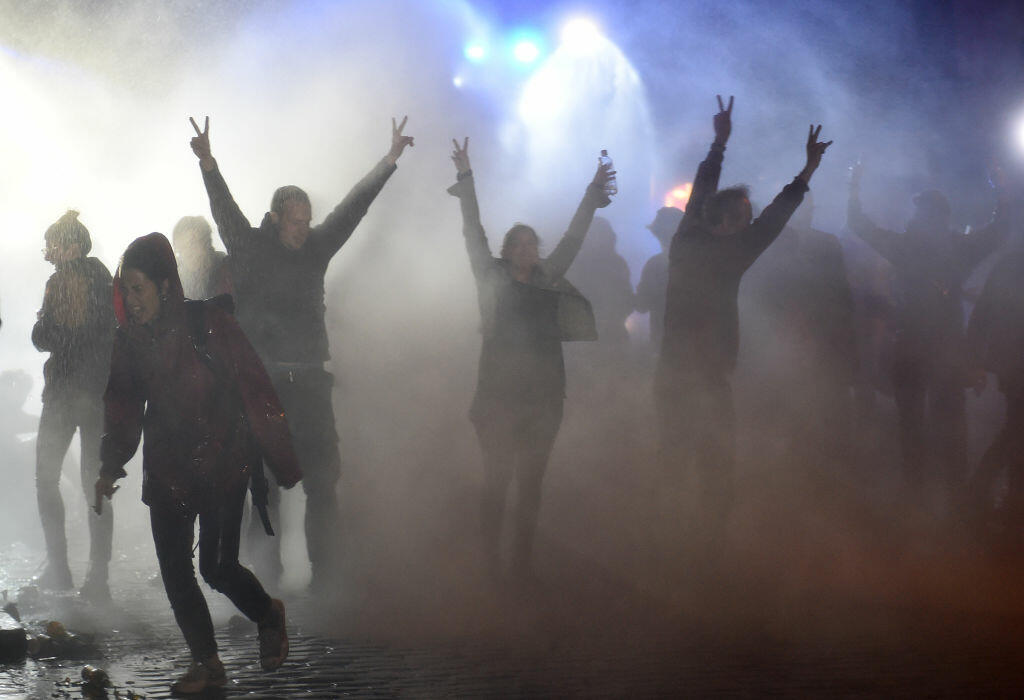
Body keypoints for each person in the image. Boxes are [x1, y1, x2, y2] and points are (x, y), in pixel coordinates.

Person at [188, 115, 414, 591]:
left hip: (310, 381)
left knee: (323, 483)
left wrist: (388, 161)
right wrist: (208, 163)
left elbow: (354, 209)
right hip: (263, 383)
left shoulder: (315, 248)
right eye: (294, 221)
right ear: (274, 218)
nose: (302, 229)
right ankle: (264, 585)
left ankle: (326, 580)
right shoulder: (249, 246)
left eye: (306, 221)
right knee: (263, 488)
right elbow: (224, 209)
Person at [94, 233, 301, 694]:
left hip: (224, 463)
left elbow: (256, 388)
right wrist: (110, 466)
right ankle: (207, 662)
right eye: (125, 289)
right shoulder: (130, 340)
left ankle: (269, 614)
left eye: (139, 288)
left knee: (216, 567)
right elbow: (123, 404)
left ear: (165, 286)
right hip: (167, 467)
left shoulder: (209, 324)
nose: (131, 299)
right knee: (174, 569)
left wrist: (282, 462)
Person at [655, 95, 831, 549]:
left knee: (678, 459)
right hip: (704, 373)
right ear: (732, 222)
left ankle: (669, 544)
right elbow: (774, 217)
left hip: (678, 371)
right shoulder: (732, 252)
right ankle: (700, 545)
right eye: (746, 217)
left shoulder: (686, 239)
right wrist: (807, 171)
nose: (752, 222)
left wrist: (719, 143)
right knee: (712, 463)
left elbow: (705, 195)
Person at [447, 136, 612, 582]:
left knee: (532, 485)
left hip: (543, 398)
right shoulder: (492, 278)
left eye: (531, 244)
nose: (527, 250)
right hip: (498, 397)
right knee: (497, 481)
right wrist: (466, 178)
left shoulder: (547, 279)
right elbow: (472, 233)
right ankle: (490, 563)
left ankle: (520, 563)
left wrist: (591, 196)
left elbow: (573, 239)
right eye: (518, 244)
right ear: (505, 251)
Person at [848, 163, 1007, 505]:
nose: (918, 218)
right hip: (933, 345)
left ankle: (926, 492)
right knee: (938, 421)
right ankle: (944, 491)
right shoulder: (945, 246)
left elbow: (859, 224)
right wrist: (1001, 190)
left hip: (923, 345)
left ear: (932, 218)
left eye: (922, 212)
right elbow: (999, 230)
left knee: (927, 422)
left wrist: (855, 185)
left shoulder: (912, 246)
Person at [32, 211, 115, 598]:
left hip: (70, 393)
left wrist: (49, 328)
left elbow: (44, 336)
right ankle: (95, 578)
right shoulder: (105, 281)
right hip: (95, 394)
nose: (48, 252)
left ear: (72, 246)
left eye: (54, 244)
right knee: (93, 484)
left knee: (49, 479)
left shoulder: (66, 281)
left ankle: (64, 570)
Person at [962, 249, 1024, 547]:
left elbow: (982, 312)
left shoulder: (1009, 263)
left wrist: (976, 361)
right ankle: (1003, 501)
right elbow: (985, 312)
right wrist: (974, 363)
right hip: (1016, 365)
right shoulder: (1011, 264)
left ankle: (1001, 499)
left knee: (1015, 431)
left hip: (1012, 364)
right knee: (1016, 432)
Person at [636, 206, 683, 353]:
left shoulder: (655, 265)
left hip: (663, 345)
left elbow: (641, 306)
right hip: (699, 346)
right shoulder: (702, 263)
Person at [171, 215, 229, 300]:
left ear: (207, 244)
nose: (188, 253)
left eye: (192, 244)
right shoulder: (177, 282)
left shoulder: (228, 272)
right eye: (181, 247)